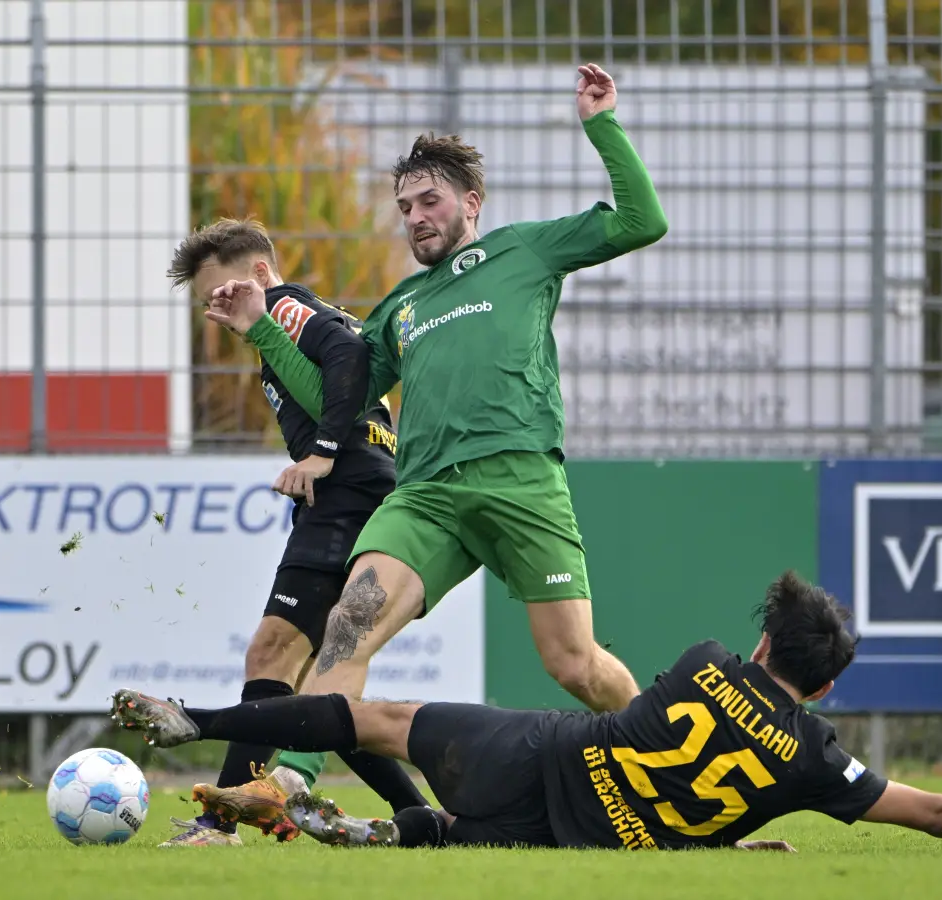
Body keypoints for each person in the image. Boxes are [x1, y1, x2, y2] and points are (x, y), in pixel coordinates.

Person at [204, 63, 663, 731]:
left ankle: (679, 760)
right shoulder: (400, 308)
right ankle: (293, 784)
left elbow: (642, 222)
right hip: (425, 497)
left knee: (574, 664)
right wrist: (263, 331)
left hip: (521, 480)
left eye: (430, 202)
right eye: (405, 209)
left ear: (472, 202)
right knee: (347, 626)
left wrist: (603, 125)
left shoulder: (525, 251)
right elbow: (342, 403)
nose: (416, 219)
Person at [110, 571, 942, 855]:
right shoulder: (814, 764)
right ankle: (307, 823)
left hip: (529, 753)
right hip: (553, 844)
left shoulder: (703, 662)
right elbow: (937, 812)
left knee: (374, 719)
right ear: (827, 687)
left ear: (762, 648)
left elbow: (665, 736)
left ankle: (203, 727)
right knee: (416, 836)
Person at [160, 218, 428, 847]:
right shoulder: (286, 318)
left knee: (272, 654)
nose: (219, 308)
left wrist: (325, 452)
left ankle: (218, 824)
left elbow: (351, 359)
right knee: (317, 686)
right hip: (358, 493)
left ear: (258, 273)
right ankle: (426, 819)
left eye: (224, 291)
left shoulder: (285, 307)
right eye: (209, 302)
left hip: (347, 494)